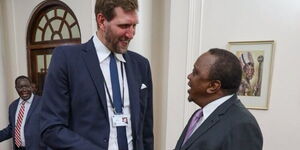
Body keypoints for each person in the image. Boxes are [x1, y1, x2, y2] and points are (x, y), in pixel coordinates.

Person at [40, 0, 153, 150]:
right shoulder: (66, 59)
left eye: (134, 25)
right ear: (101, 21)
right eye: (124, 26)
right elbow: (51, 128)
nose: (131, 34)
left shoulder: (141, 65)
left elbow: (146, 132)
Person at [174, 48, 263, 150]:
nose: (189, 76)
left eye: (195, 72)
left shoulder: (242, 126)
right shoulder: (199, 116)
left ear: (213, 86)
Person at [0, 75, 46, 150]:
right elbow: (12, 128)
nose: (24, 89)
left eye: (26, 86)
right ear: (16, 89)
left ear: (31, 87)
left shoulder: (43, 102)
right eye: (20, 87)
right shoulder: (13, 106)